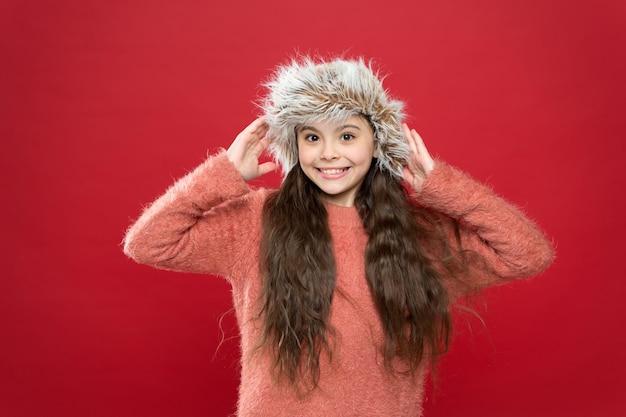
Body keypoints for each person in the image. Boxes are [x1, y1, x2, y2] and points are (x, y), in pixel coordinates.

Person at [123, 57, 554, 417]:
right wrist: (223, 175)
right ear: (296, 147)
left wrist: (442, 187)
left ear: (376, 143)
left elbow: (527, 254)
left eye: (346, 135)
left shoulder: (419, 232)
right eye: (312, 137)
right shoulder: (256, 219)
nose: (328, 153)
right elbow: (148, 243)